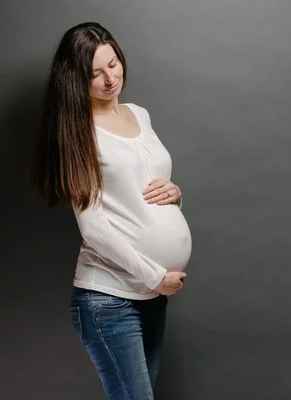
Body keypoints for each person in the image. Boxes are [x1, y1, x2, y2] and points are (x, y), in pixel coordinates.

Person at [31, 21, 191, 400]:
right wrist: (155, 275)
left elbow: (141, 188)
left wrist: (176, 194)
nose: (109, 79)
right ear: (75, 79)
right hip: (107, 299)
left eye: (113, 64)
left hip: (152, 297)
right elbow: (94, 228)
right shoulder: (77, 132)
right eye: (94, 73)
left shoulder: (140, 114)